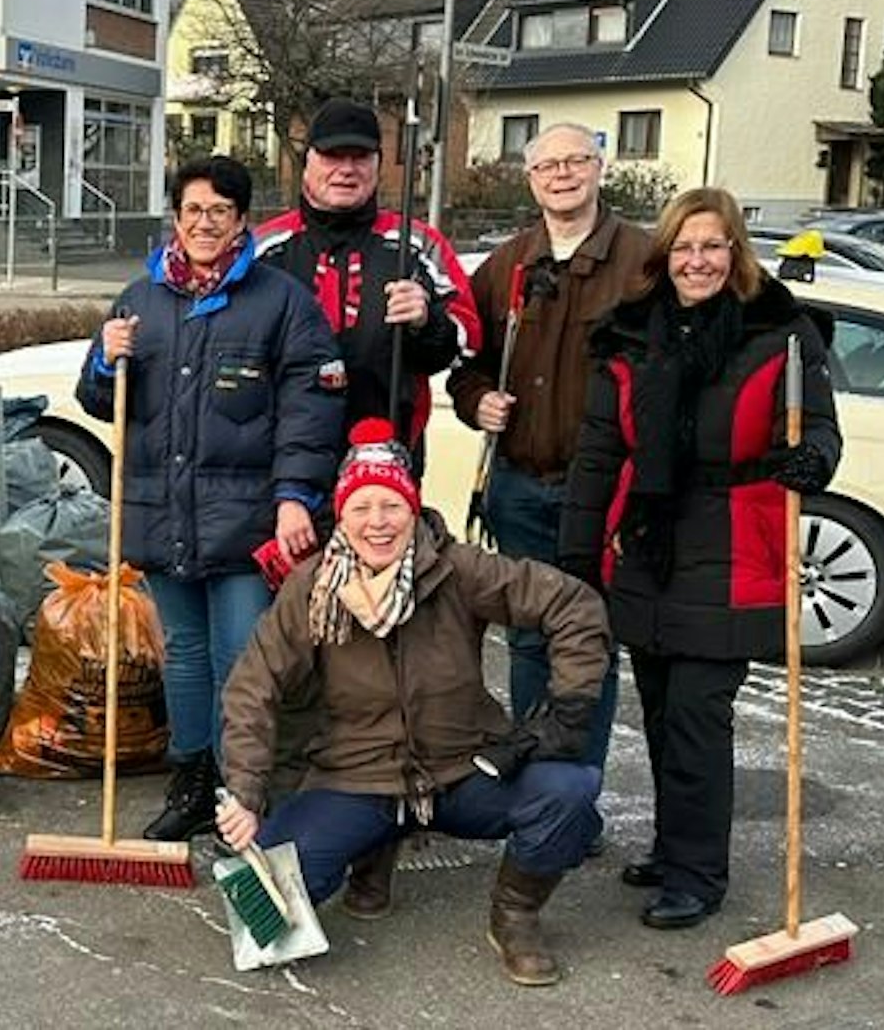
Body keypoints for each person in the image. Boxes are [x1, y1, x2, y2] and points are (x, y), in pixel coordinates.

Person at [216, 419, 611, 987]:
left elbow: (575, 606)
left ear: (413, 507)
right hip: (356, 775)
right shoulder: (311, 587)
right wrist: (247, 792)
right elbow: (251, 688)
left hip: (463, 768)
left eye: (391, 506)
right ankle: (373, 848)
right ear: (342, 515)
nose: (377, 522)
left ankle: (516, 915)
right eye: (361, 507)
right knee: (264, 917)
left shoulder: (458, 569)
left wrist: (568, 709)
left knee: (570, 794)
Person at [559, 186, 841, 930]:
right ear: (665, 255)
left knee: (696, 715)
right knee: (658, 711)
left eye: (712, 245)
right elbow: (599, 452)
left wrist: (812, 459)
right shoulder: (630, 336)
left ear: (735, 251)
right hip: (649, 542)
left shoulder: (780, 334)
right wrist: (578, 554)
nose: (697, 260)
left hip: (732, 543)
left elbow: (820, 428)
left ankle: (696, 873)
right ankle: (672, 844)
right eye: (684, 247)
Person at [76, 154, 343, 843]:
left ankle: (239, 790)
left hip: (243, 522)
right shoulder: (140, 300)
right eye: (193, 210)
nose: (204, 223)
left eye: (219, 212)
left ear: (241, 221)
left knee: (241, 658)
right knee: (186, 654)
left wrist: (293, 497)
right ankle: (192, 778)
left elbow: (311, 410)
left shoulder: (281, 302)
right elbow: (99, 399)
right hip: (163, 514)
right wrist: (105, 358)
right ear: (176, 217)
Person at [434, 123, 656, 881]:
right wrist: (476, 401)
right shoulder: (508, 263)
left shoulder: (641, 260)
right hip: (520, 487)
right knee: (529, 643)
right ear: (530, 179)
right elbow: (464, 361)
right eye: (547, 165)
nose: (562, 175)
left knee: (589, 646)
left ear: (600, 167)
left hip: (603, 495)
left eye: (575, 161)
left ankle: (577, 803)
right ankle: (538, 793)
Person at [255, 97, 481, 470]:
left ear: (378, 164)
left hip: (387, 455)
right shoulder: (263, 250)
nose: (346, 169)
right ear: (307, 161)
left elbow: (468, 341)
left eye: (359, 157)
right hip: (279, 457)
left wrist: (427, 323)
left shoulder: (419, 246)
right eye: (332, 156)